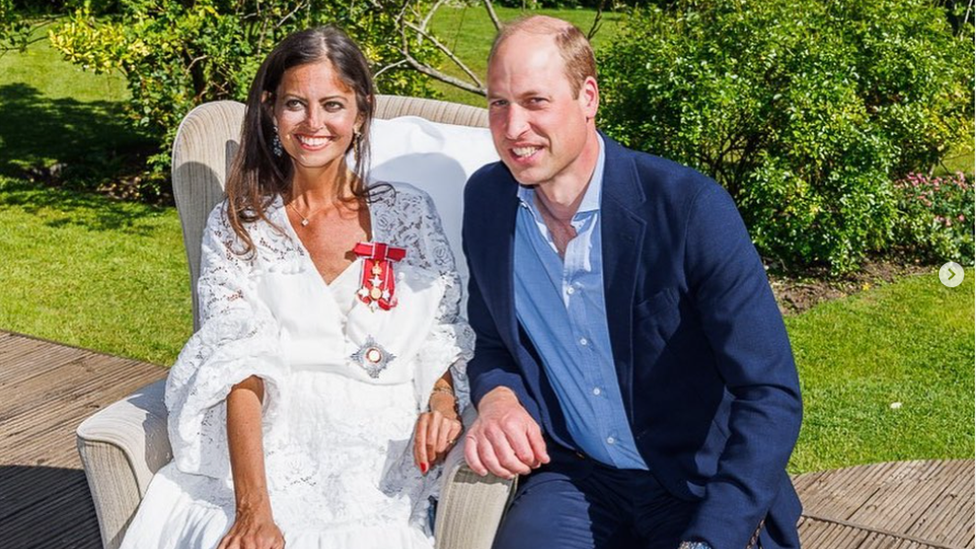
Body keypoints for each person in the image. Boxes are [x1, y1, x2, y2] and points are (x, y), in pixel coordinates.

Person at [119, 26, 472, 549]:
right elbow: (238, 364)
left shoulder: (409, 211)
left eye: (332, 104)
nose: (313, 123)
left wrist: (443, 401)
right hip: (275, 440)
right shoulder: (237, 226)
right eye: (294, 104)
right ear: (269, 110)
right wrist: (253, 510)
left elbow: (439, 326)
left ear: (361, 112)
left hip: (383, 447)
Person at [461, 16, 803, 549]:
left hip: (694, 485)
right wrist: (499, 397)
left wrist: (713, 536)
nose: (513, 127)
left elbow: (770, 392)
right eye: (499, 103)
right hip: (578, 477)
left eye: (535, 101)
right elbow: (492, 343)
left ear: (588, 97)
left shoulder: (688, 208)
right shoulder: (487, 201)